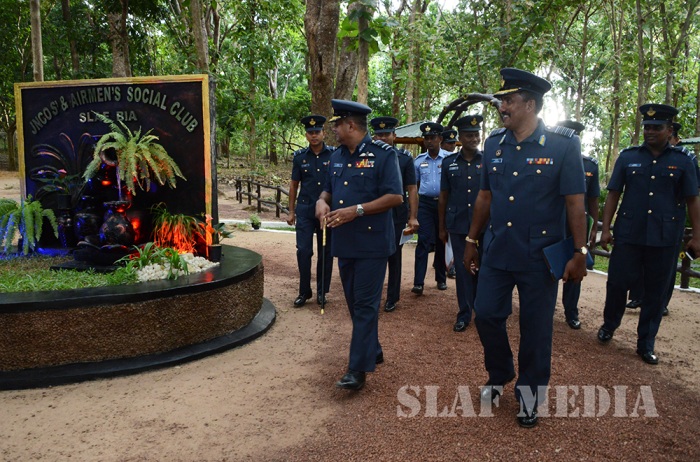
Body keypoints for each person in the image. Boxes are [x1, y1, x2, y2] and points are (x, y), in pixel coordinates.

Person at [462, 68, 588, 428]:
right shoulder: (493, 144)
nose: (502, 106)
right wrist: (471, 240)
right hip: (498, 249)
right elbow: (485, 197)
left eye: (509, 100)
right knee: (486, 314)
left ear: (530, 105)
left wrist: (579, 253)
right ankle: (500, 371)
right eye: (502, 100)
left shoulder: (563, 145)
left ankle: (530, 397)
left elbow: (575, 203)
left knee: (536, 329)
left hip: (539, 255)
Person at [597, 104, 700, 365]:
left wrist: (697, 236)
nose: (650, 131)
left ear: (669, 130)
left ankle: (646, 343)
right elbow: (613, 194)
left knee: (656, 291)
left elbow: (693, 199)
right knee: (617, 283)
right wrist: (606, 229)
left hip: (665, 237)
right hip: (628, 234)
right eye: (647, 127)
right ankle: (609, 325)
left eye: (656, 127)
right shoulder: (628, 157)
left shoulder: (684, 160)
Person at [316, 99, 403, 391]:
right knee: (355, 303)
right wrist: (321, 202)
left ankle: (357, 369)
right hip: (345, 242)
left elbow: (395, 197)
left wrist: (358, 210)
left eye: (337, 125)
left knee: (365, 304)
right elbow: (328, 190)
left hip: (372, 243)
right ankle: (373, 349)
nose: (334, 130)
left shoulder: (383, 155)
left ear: (351, 125)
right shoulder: (336, 157)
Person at [438, 115, 484, 332]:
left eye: (476, 135)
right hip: (458, 225)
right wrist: (442, 227)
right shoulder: (449, 163)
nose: (473, 139)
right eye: (468, 135)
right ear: (460, 138)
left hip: (484, 225)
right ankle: (464, 313)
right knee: (464, 269)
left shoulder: (488, 161)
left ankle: (482, 311)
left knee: (483, 268)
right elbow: (443, 197)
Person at [370, 116, 419, 312]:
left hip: (396, 215)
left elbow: (412, 189)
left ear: (394, 135)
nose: (383, 138)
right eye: (379, 134)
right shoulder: (367, 157)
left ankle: (392, 297)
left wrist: (413, 216)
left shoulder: (404, 158)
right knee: (373, 255)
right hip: (373, 212)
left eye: (386, 134)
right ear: (374, 136)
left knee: (394, 256)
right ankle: (372, 295)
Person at [556, 120, 600, 329]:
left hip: (577, 225)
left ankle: (571, 312)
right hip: (554, 222)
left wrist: (595, 227)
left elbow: (593, 200)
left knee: (577, 263)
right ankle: (541, 307)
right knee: (545, 265)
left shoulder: (590, 165)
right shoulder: (550, 160)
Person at [287, 115, 335, 307]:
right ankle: (304, 291)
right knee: (304, 251)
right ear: (306, 135)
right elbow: (294, 185)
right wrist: (291, 211)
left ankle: (322, 292)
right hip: (305, 210)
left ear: (323, 133)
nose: (314, 135)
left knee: (325, 252)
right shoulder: (300, 157)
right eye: (310, 132)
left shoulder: (334, 155)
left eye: (317, 132)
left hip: (326, 211)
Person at [412, 122, 451, 295]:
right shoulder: (419, 161)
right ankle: (418, 282)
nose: (429, 141)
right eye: (426, 138)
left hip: (445, 205)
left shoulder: (449, 159)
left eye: (432, 138)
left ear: (440, 139)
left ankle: (441, 279)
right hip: (426, 205)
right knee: (423, 241)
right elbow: (415, 186)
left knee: (442, 239)